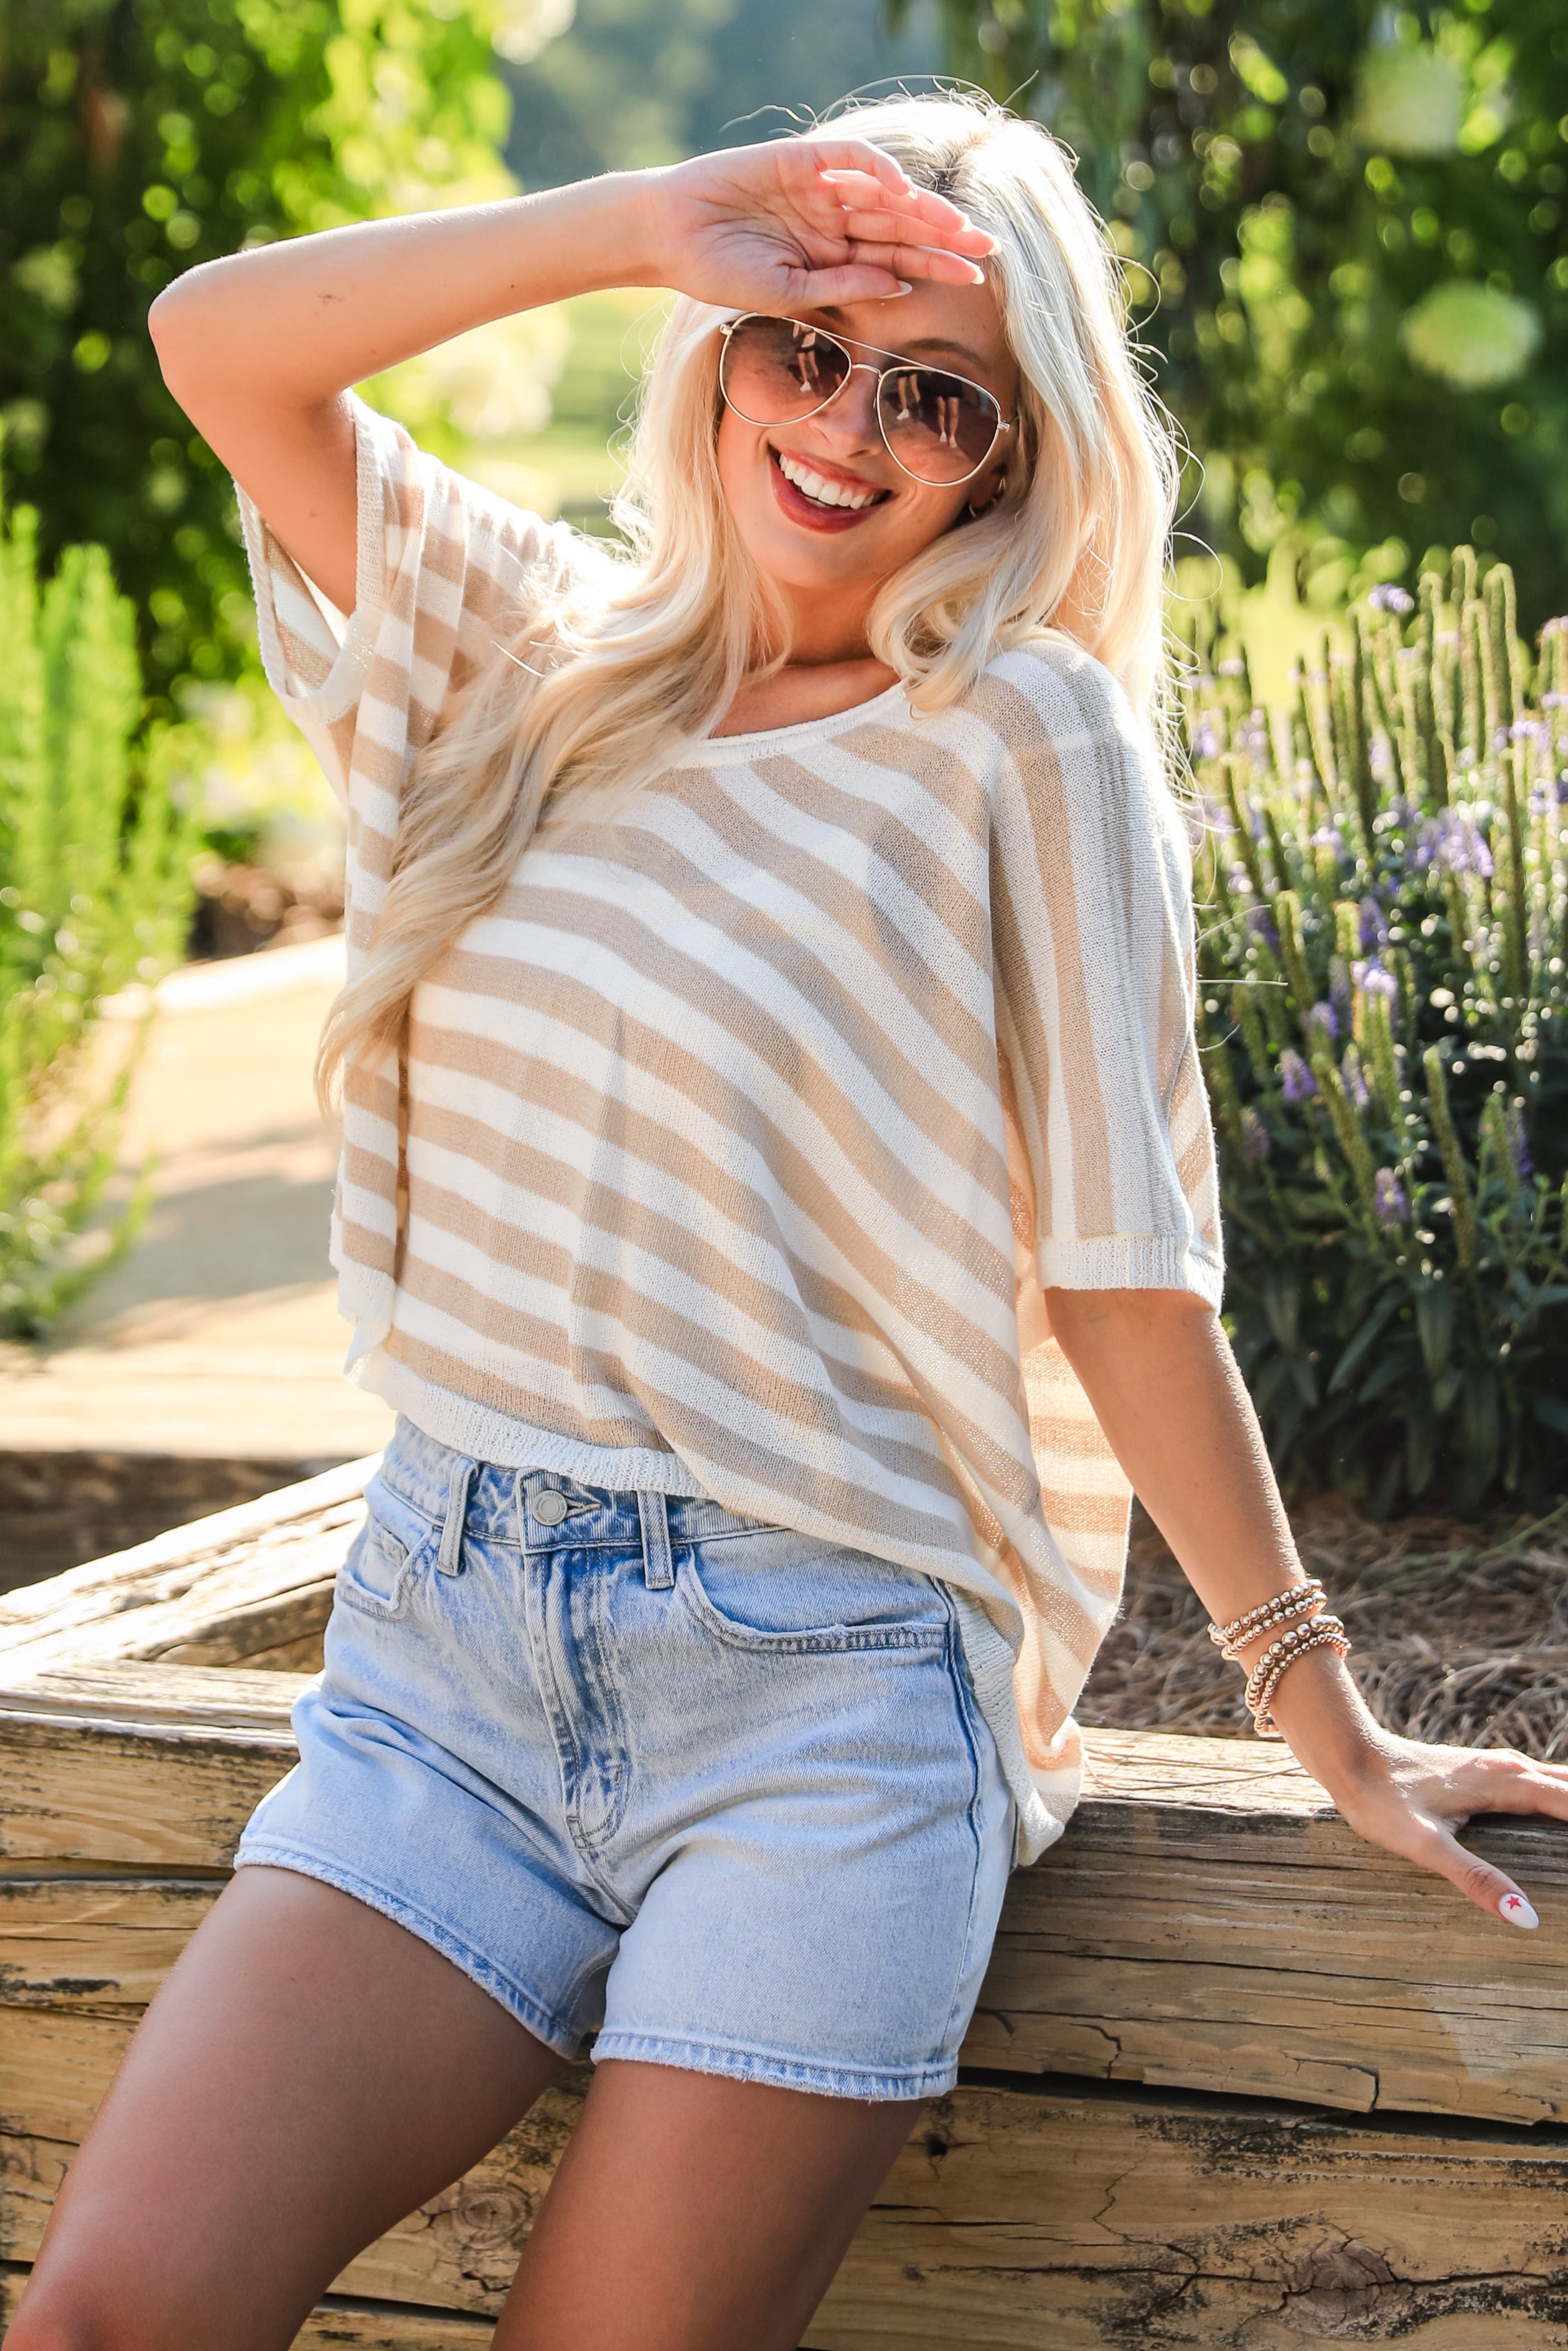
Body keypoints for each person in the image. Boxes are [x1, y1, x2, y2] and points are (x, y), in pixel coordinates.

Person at [15, 89, 1568, 2351]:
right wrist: (664, 218)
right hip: (445, 1670)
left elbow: (1124, 1268)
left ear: (1010, 462)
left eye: (935, 395)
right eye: (805, 344)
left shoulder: (1021, 735)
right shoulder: (530, 658)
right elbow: (221, 339)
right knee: (103, 2326)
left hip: (822, 1705)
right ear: (720, 343)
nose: (850, 427)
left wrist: (1321, 1712)